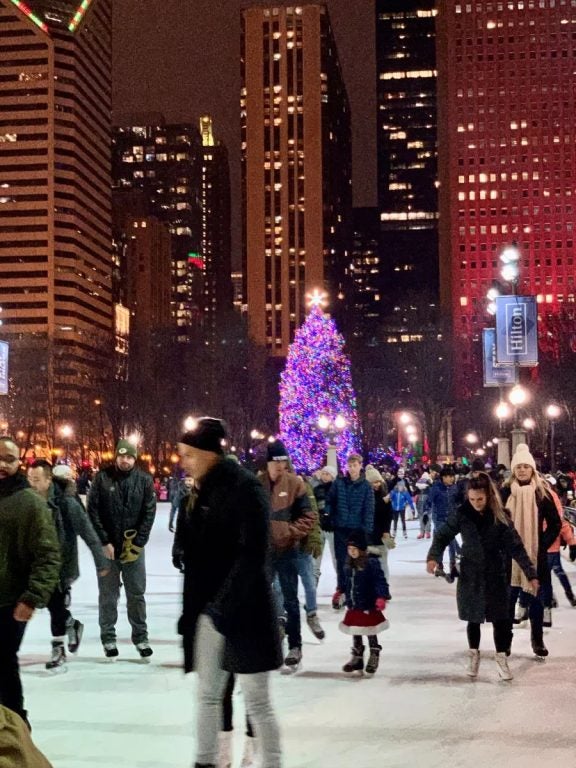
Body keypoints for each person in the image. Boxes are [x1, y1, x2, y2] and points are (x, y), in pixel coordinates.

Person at [174, 417, 282, 768]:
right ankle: (205, 762)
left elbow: (254, 554)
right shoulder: (198, 491)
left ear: (209, 453)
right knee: (207, 695)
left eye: (189, 454)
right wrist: (194, 612)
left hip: (245, 612)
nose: (184, 461)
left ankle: (271, 764)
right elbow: (196, 556)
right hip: (209, 611)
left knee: (257, 702)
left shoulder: (244, 488)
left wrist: (225, 606)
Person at [427, 473, 538, 681]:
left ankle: (501, 657)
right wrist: (433, 557)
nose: (476, 503)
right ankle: (474, 654)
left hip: (495, 573)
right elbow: (442, 535)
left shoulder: (500, 516)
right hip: (471, 574)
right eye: (472, 499)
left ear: (488, 496)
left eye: (480, 499)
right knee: (473, 617)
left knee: (501, 619)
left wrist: (530, 573)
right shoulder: (462, 515)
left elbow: (516, 547)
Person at [0, 436, 60, 726]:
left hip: (11, 602)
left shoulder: (30, 504)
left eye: (9, 459)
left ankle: (17, 727)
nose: (2, 464)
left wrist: (31, 598)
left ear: (18, 462)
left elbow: (48, 556)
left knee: (3, 663)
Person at [26, 461, 109, 671]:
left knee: (54, 604)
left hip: (61, 564)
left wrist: (101, 560)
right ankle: (71, 624)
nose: (32, 484)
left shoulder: (66, 503)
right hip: (35, 563)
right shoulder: (28, 501)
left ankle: (58, 648)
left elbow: (87, 532)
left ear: (48, 480)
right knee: (42, 602)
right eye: (30, 479)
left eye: (36, 480)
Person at [87, 438, 157, 659]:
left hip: (133, 548)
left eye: (129, 456)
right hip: (108, 549)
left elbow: (149, 511)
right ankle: (108, 638)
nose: (125, 460)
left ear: (134, 459)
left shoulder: (144, 480)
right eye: (122, 456)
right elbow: (93, 511)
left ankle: (141, 637)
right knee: (108, 595)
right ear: (116, 456)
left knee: (136, 593)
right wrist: (104, 541)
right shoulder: (102, 478)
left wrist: (138, 542)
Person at [258, 439, 316, 672]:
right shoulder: (258, 483)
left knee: (290, 599)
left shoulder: (295, 484)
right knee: (263, 599)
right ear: (269, 463)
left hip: (287, 550)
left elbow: (308, 516)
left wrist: (291, 532)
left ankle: (295, 645)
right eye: (277, 461)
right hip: (264, 552)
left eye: (284, 461)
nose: (281, 466)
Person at [504, 444, 561, 657]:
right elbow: (497, 522)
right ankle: (505, 640)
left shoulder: (542, 493)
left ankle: (537, 640)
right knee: (509, 600)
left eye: (526, 466)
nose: (522, 470)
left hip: (536, 556)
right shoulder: (505, 492)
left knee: (537, 599)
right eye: (518, 466)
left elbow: (555, 523)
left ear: (532, 469)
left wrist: (541, 544)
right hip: (510, 557)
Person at [326, 452, 374, 610]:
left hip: (357, 530)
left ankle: (358, 590)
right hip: (341, 528)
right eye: (350, 465)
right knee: (341, 561)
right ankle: (342, 589)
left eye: (355, 466)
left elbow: (369, 510)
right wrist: (327, 515)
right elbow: (330, 500)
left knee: (357, 561)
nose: (352, 469)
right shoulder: (339, 483)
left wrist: (366, 531)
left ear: (360, 466)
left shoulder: (366, 486)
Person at [339, 529, 390, 676]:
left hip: (368, 604)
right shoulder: (349, 564)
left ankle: (374, 653)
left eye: (355, 549)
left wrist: (381, 596)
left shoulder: (371, 563)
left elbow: (380, 581)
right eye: (349, 549)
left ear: (361, 549)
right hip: (354, 605)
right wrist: (340, 591)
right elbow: (345, 581)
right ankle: (358, 657)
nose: (352, 552)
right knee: (356, 631)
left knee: (369, 630)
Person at [425, 466, 461, 582]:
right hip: (439, 519)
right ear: (443, 478)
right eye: (448, 477)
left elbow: (459, 502)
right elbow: (429, 501)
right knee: (445, 540)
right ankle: (441, 565)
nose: (451, 479)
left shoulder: (455, 489)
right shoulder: (436, 488)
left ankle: (451, 564)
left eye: (452, 476)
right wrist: (426, 512)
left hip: (451, 519)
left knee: (448, 541)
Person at [364, 464, 393, 582]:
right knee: (369, 564)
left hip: (381, 534)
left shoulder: (384, 496)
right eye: (373, 482)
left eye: (378, 482)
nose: (376, 485)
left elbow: (388, 516)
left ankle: (384, 589)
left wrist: (386, 531)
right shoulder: (365, 496)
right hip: (368, 535)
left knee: (383, 562)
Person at [312, 465, 337, 583]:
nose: (325, 476)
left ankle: (341, 588)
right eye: (324, 473)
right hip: (319, 526)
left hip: (332, 528)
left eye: (328, 474)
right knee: (316, 559)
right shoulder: (317, 488)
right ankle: (313, 588)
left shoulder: (336, 489)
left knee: (336, 558)